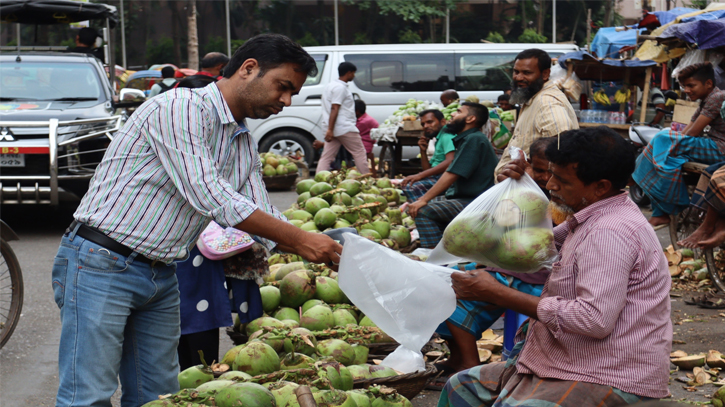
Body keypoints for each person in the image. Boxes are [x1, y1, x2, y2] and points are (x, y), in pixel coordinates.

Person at [51, 34, 342, 407]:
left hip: (161, 273)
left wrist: (328, 248)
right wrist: (302, 241)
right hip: (101, 263)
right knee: (87, 397)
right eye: (282, 87)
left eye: (292, 94)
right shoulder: (180, 107)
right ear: (248, 69)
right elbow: (210, 194)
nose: (285, 102)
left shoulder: (240, 140)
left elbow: (260, 211)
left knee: (158, 396)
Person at [439, 126, 672, 407]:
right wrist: (511, 192)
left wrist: (497, 293)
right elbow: (538, 249)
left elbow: (593, 319)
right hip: (564, 356)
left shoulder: (610, 232)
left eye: (561, 180)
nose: (550, 185)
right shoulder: (590, 216)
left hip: (607, 370)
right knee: (460, 387)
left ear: (600, 186)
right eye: (549, 175)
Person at [431, 137, 556, 382]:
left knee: (455, 287)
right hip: (510, 262)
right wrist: (511, 185)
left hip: (535, 271)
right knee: (437, 277)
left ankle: (469, 363)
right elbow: (502, 222)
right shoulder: (527, 188)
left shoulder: (561, 195)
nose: (543, 177)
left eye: (549, 172)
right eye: (537, 169)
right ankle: (457, 356)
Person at [633, 62, 725, 228]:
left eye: (691, 86)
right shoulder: (705, 100)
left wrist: (669, 141)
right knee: (668, 155)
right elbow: (686, 133)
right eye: (684, 86)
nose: (687, 90)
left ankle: (656, 200)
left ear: (709, 84)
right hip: (712, 147)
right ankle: (660, 213)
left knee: (662, 137)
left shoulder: (717, 98)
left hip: (720, 149)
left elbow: (692, 133)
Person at [407, 102, 497, 248]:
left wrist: (423, 200)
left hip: (476, 202)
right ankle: (448, 246)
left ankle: (434, 259)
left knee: (423, 210)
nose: (452, 115)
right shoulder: (468, 139)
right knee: (425, 203)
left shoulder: (474, 139)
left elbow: (452, 173)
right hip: (468, 198)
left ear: (470, 119)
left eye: (458, 111)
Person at [494, 49, 578, 178]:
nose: (519, 78)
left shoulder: (547, 102)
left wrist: (533, 174)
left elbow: (563, 149)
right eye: (516, 72)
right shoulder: (533, 99)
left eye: (527, 73)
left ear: (545, 74)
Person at [316, 62, 370, 175]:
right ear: (349, 73)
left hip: (333, 128)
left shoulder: (330, 86)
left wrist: (330, 130)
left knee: (327, 156)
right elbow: (335, 108)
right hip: (344, 127)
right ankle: (367, 179)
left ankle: (318, 180)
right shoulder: (340, 88)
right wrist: (330, 129)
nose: (354, 76)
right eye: (353, 73)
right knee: (359, 152)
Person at [400, 110, 456, 202]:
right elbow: (427, 169)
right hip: (436, 176)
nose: (425, 126)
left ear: (442, 122)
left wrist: (420, 175)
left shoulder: (447, 135)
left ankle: (421, 211)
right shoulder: (439, 137)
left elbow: (451, 160)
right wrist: (423, 151)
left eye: (430, 122)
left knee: (410, 188)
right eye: (423, 124)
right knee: (406, 185)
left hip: (444, 177)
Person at [355, 100, 379, 175]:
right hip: (364, 143)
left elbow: (351, 134)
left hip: (364, 145)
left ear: (357, 111)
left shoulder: (363, 122)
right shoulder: (365, 118)